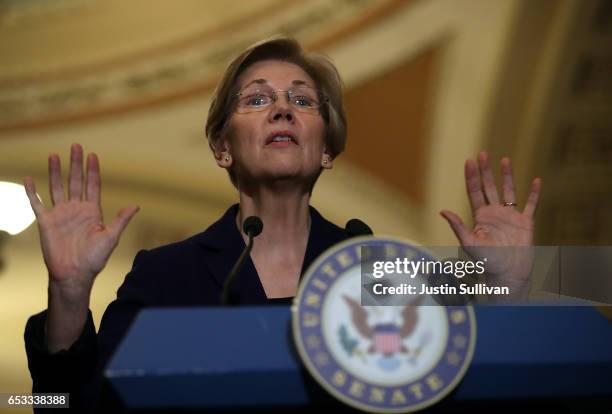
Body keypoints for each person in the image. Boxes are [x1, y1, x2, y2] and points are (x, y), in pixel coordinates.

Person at [23, 37, 541, 412]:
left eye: (301, 100)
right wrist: (68, 294)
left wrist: (507, 300)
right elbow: (61, 405)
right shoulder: (164, 278)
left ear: (328, 149)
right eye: (256, 99)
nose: (281, 110)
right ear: (223, 148)